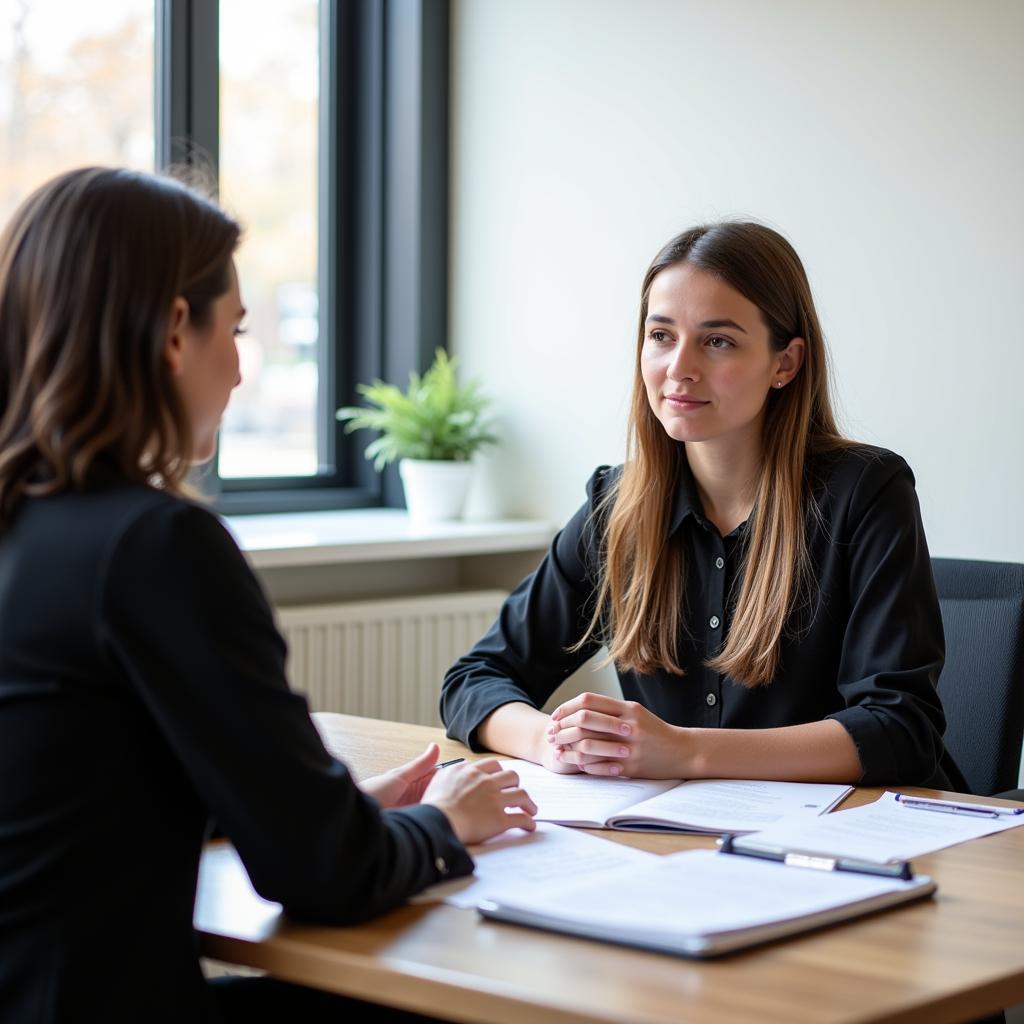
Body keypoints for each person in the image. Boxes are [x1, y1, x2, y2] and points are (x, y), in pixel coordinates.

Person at [0, 166, 536, 1024]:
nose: (242, 374)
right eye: (235, 331)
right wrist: (442, 825)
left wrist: (338, 811)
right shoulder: (154, 545)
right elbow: (326, 878)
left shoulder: (29, 527)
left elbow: (80, 803)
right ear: (175, 330)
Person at [441, 221, 965, 792]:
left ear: (785, 363)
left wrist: (684, 750)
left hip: (860, 841)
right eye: (661, 335)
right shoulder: (615, 506)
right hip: (683, 840)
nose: (678, 368)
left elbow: (899, 730)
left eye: (718, 341)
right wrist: (552, 741)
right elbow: (476, 678)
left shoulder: (865, 492)